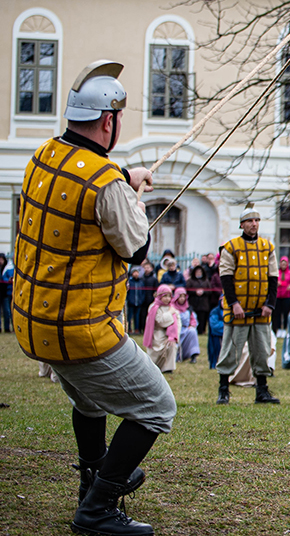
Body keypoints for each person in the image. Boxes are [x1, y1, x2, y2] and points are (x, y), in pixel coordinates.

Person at [12, 59, 171, 536]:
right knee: (157, 407)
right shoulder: (107, 185)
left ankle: (91, 479)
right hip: (80, 330)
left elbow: (79, 177)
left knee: (90, 401)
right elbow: (136, 249)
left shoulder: (43, 155)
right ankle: (98, 506)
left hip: (33, 324)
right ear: (109, 121)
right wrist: (129, 194)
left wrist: (123, 175)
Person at [214, 206, 280, 405]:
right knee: (230, 350)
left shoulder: (267, 247)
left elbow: (273, 277)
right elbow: (226, 278)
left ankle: (262, 390)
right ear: (242, 224)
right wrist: (234, 304)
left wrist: (270, 304)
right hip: (238, 310)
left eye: (257, 220)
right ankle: (223, 390)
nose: (254, 224)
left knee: (261, 350)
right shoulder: (231, 247)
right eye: (250, 221)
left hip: (261, 310)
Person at [143, 284, 180, 373]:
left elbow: (178, 322)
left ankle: (168, 368)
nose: (167, 299)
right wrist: (169, 313)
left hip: (169, 335)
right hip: (157, 333)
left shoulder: (172, 307)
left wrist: (173, 335)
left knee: (171, 345)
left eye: (169, 296)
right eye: (165, 296)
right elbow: (160, 321)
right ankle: (155, 365)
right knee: (157, 346)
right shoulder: (154, 307)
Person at [171, 287, 201, 364]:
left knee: (192, 331)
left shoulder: (188, 308)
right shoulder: (171, 308)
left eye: (184, 296)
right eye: (180, 296)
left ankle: (193, 355)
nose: (182, 298)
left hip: (185, 329)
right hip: (175, 330)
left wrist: (192, 325)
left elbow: (193, 319)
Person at [186, 265, 214, 335]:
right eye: (197, 272)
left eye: (200, 272)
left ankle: (201, 331)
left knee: (202, 318)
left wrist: (203, 292)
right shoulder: (190, 281)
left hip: (203, 303)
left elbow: (210, 291)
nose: (198, 273)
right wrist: (195, 292)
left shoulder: (206, 281)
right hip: (193, 302)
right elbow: (187, 290)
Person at [274, 257, 290, 334]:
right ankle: (277, 329)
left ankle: (284, 329)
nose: (283, 265)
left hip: (286, 296)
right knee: (277, 313)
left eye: (285, 264)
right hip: (277, 296)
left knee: (285, 313)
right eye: (282, 264)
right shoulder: (277, 272)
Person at [207, 299, 225, 370]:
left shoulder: (232, 311)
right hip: (216, 337)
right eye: (223, 301)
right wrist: (226, 326)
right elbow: (214, 326)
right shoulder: (214, 312)